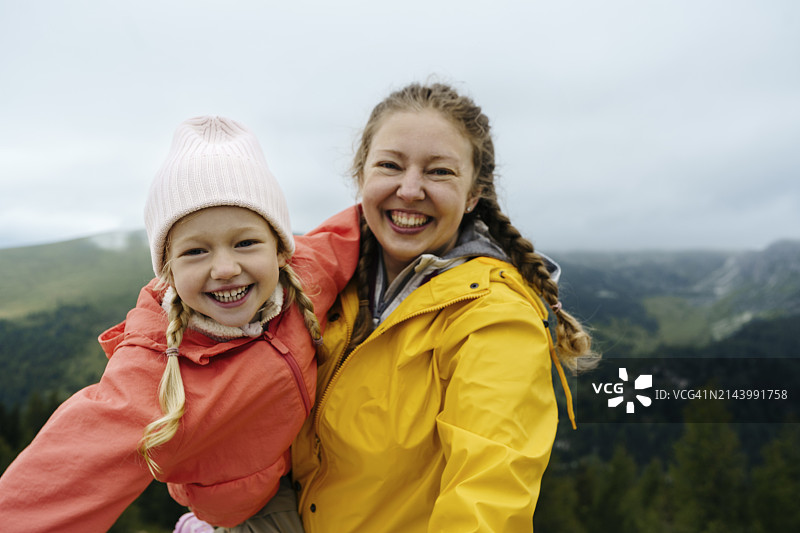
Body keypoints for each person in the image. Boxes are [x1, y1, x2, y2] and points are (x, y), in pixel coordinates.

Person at [0, 116, 359, 532]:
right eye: (195, 251)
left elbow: (351, 232)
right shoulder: (154, 372)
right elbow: (68, 468)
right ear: (167, 270)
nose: (225, 268)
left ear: (281, 250)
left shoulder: (305, 277)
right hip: (254, 511)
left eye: (245, 242)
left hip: (304, 464)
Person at [289, 82, 599, 532]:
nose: (410, 190)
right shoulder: (321, 282)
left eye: (439, 172)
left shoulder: (496, 319)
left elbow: (489, 500)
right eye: (391, 165)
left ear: (474, 193)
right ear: (362, 175)